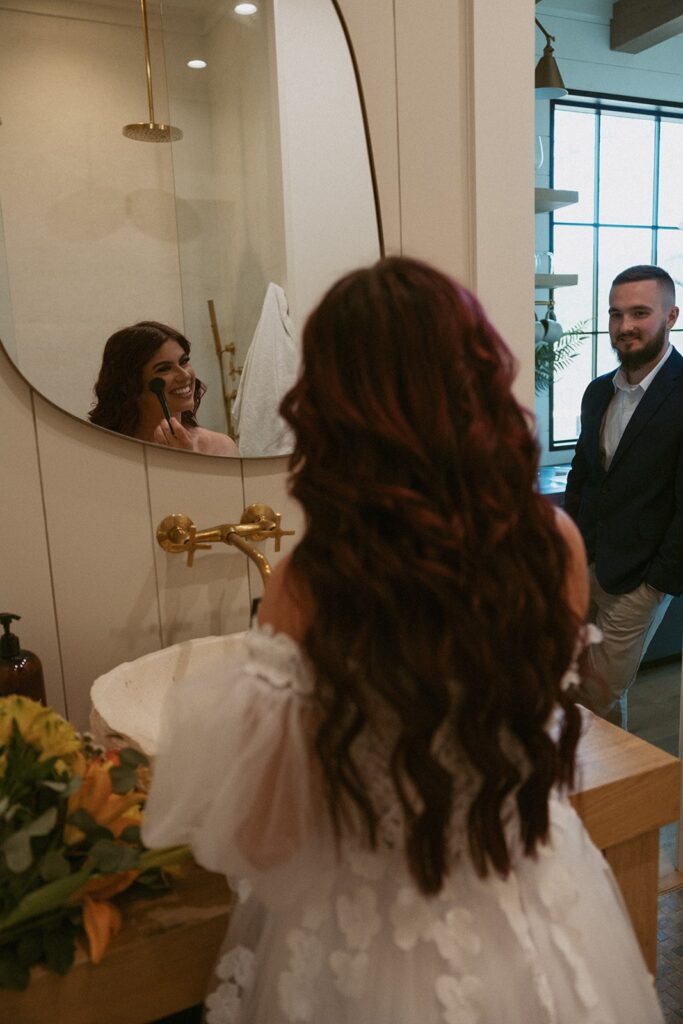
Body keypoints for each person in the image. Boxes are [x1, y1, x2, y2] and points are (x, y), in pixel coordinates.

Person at [142, 257, 663, 1023]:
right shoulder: (552, 548)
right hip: (524, 885)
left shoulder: (309, 581)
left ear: (334, 404)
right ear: (477, 379)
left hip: (369, 919)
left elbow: (259, 830)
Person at [564, 265, 682, 728]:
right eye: (616, 314)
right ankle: (612, 789)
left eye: (639, 312)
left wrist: (657, 584)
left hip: (640, 577)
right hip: (588, 562)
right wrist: (571, 549)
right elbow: (583, 475)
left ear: (671, 315)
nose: (625, 326)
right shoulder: (597, 393)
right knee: (579, 683)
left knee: (597, 690)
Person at [88, 321, 240, 456]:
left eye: (184, 362)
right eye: (164, 369)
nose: (184, 375)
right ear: (131, 385)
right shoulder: (106, 454)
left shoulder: (221, 447)